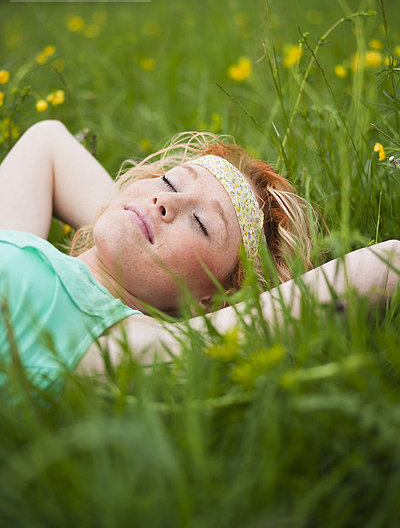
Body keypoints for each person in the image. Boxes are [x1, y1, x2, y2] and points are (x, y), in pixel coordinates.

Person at [0, 120, 399, 393]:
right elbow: (47, 140)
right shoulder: (20, 240)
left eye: (201, 224)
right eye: (171, 180)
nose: (165, 200)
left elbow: (388, 264)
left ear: (212, 302)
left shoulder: (127, 344)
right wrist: (122, 220)